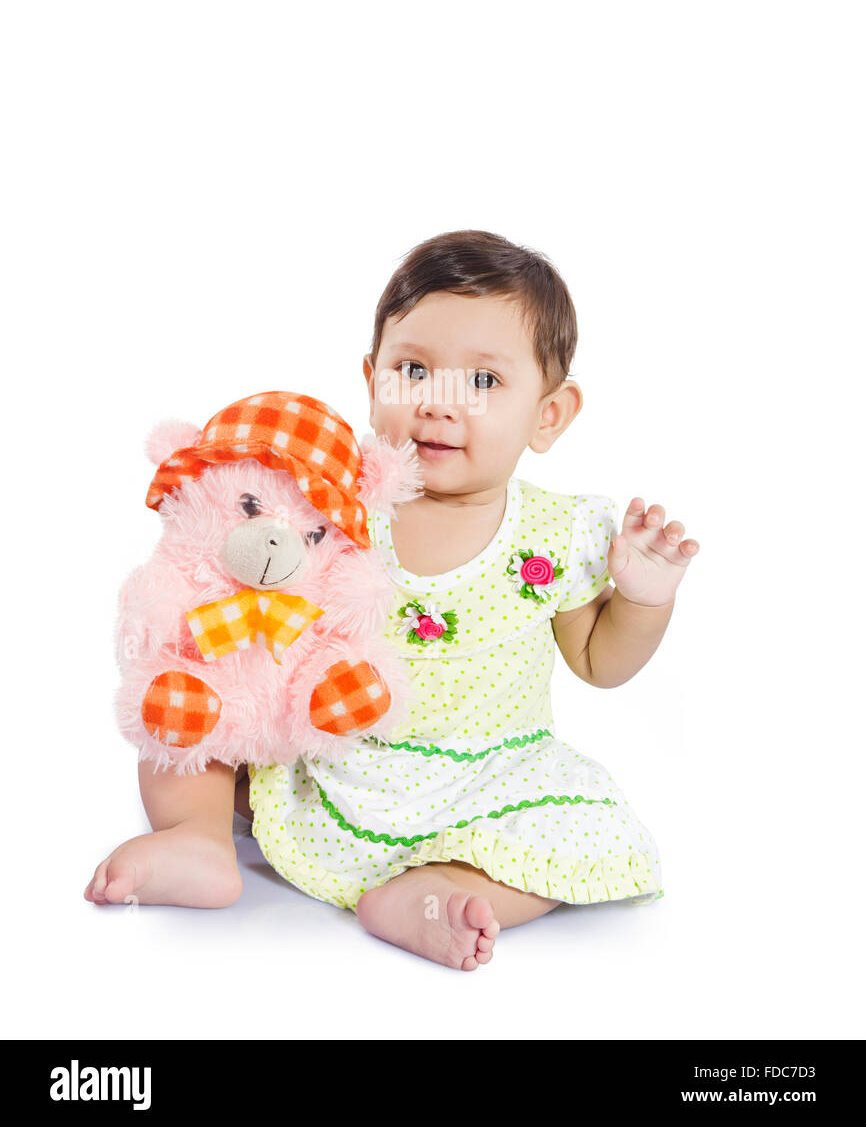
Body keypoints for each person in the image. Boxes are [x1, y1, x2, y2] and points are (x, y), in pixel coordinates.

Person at [85, 228, 699, 973]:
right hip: (326, 754)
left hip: (488, 778)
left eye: (483, 382)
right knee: (184, 723)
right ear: (373, 380)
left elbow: (599, 662)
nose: (440, 407)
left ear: (549, 413)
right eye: (414, 371)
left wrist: (643, 600)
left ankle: (438, 890)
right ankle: (198, 837)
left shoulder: (556, 535)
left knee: (592, 837)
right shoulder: (331, 509)